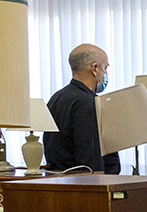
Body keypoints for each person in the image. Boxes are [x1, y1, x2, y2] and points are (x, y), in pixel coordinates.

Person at [44, 43, 120, 174]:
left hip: (58, 181)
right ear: (94, 68)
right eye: (105, 68)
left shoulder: (56, 98)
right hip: (84, 185)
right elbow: (89, 159)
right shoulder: (88, 103)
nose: (106, 73)